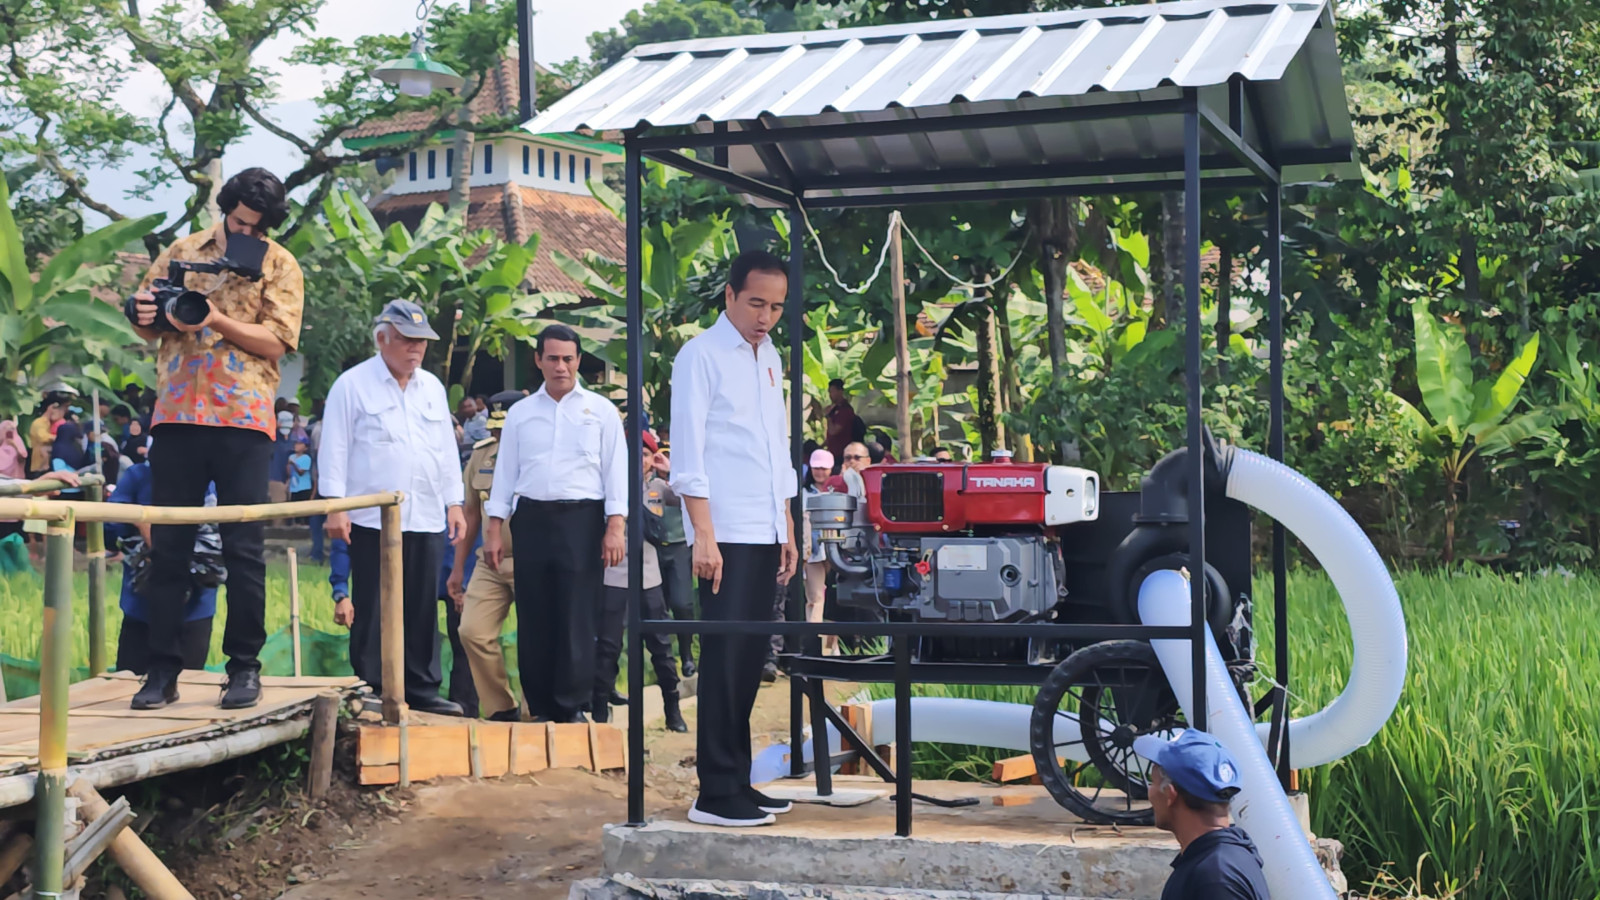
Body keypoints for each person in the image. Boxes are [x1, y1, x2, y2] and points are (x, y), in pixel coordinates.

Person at [127, 167, 304, 712]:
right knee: (170, 546)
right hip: (178, 412)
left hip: (244, 420)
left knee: (244, 550)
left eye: (257, 227)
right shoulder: (182, 250)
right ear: (225, 209)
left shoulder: (280, 263)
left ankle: (243, 668)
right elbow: (151, 318)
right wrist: (144, 315)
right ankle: (161, 670)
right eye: (239, 222)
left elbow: (277, 342)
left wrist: (215, 319)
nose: (245, 232)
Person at [670, 248, 801, 828]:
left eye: (775, 306)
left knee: (751, 661)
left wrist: (788, 523)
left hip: (766, 526)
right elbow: (690, 454)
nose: (765, 316)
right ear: (729, 296)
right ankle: (714, 792)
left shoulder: (769, 357)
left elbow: (776, 446)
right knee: (723, 659)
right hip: (722, 532)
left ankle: (738, 782)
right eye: (755, 303)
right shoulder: (700, 356)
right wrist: (703, 534)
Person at [318, 300, 467, 717]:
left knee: (422, 604)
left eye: (420, 342)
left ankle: (421, 687)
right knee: (374, 603)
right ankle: (372, 683)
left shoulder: (433, 388)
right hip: (371, 517)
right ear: (382, 339)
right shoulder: (353, 385)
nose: (414, 349)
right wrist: (335, 507)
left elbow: (444, 452)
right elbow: (335, 448)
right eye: (405, 340)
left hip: (425, 515)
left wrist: (454, 503)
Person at [485, 324, 627, 724]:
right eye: (553, 358)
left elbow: (617, 470)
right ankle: (540, 704)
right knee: (534, 612)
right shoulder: (520, 413)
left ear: (579, 360)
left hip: (582, 520)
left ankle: (571, 705)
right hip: (531, 519)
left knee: (576, 614)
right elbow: (505, 474)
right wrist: (495, 528)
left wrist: (615, 525)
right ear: (539, 361)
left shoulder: (600, 411)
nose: (561, 366)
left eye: (568, 358)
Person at [592, 430, 688, 732]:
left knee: (661, 645)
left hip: (648, 576)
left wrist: (668, 470)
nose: (638, 460)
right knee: (607, 646)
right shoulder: (606, 486)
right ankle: (599, 710)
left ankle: (672, 710)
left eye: (644, 454)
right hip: (613, 574)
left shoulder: (658, 486)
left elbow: (688, 500)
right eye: (631, 454)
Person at [450, 390, 526, 722]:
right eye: (494, 428)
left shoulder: (540, 455)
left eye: (504, 428)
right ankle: (501, 708)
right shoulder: (481, 457)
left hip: (531, 561)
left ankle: (537, 709)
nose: (498, 435)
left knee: (537, 639)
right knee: (472, 631)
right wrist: (457, 571)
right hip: (489, 562)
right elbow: (470, 514)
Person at [1132, 730, 1271, 900]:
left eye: (1152, 783)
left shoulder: (1215, 879)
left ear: (1170, 794)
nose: (1150, 793)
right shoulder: (1221, 860)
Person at [110, 461, 217, 674]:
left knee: (188, 681)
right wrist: (140, 522)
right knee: (130, 681)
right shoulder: (139, 475)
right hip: (143, 602)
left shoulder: (211, 479)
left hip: (194, 602)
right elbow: (111, 524)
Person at [649, 441, 696, 678]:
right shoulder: (645, 483)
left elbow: (684, 499)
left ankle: (687, 655)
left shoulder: (673, 482)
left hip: (678, 546)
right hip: (652, 548)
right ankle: (664, 663)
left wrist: (671, 472)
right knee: (658, 607)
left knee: (681, 603)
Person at [801, 448, 838, 656]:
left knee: (834, 599)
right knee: (815, 598)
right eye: (816, 468)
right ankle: (814, 647)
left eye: (824, 468)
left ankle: (832, 646)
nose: (820, 472)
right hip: (813, 552)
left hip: (837, 550)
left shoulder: (838, 490)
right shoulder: (804, 494)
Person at [823, 379, 858, 463]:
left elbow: (834, 431)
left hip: (841, 454)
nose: (830, 395)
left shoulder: (845, 410)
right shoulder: (835, 408)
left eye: (832, 391)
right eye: (829, 392)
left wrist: (828, 416)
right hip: (833, 452)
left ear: (840, 391)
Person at [27, 401, 63, 477]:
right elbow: (43, 437)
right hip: (39, 463)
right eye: (59, 410)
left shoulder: (50, 423)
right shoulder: (39, 422)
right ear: (50, 409)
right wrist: (59, 437)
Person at [287, 438, 313, 522]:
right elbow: (288, 473)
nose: (296, 446)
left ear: (305, 448)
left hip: (304, 487)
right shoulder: (291, 457)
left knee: (304, 509)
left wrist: (294, 464)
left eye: (300, 444)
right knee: (295, 508)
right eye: (296, 444)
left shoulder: (306, 458)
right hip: (294, 487)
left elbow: (301, 472)